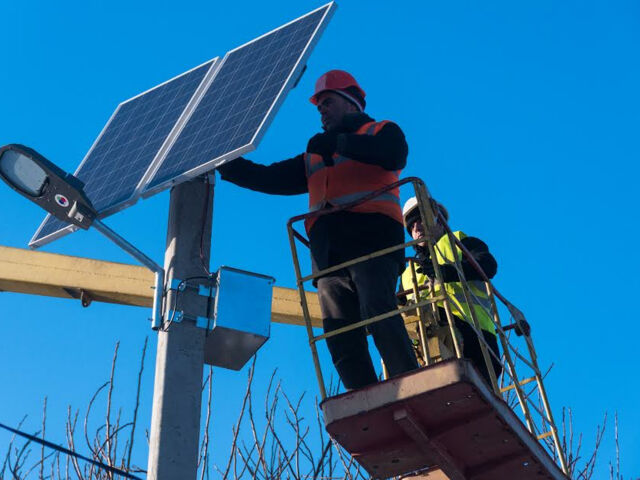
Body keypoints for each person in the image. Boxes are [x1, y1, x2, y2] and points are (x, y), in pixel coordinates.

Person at [217, 70, 418, 390]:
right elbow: (269, 177)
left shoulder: (381, 131)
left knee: (377, 309)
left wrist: (339, 142)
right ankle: (363, 394)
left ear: (351, 104)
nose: (321, 110)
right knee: (338, 329)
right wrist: (222, 162)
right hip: (329, 253)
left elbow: (393, 154)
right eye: (319, 106)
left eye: (328, 102)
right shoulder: (316, 155)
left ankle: (408, 381)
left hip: (372, 239)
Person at [400, 197, 502, 384]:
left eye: (420, 218)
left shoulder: (459, 242)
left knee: (421, 314)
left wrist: (447, 272)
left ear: (439, 221)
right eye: (411, 224)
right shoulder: (408, 273)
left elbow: (487, 265)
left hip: (476, 340)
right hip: (433, 353)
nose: (416, 227)